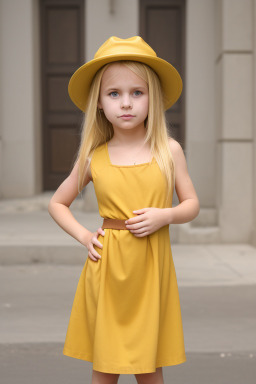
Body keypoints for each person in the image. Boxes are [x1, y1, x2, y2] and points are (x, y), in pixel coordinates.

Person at [48, 36, 200, 384]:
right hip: (108, 269)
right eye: (114, 94)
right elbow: (58, 203)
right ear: (99, 103)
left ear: (153, 99)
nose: (126, 103)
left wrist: (166, 215)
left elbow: (191, 204)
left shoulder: (169, 150)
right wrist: (85, 235)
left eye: (137, 92)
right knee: (106, 363)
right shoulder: (94, 156)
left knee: (148, 366)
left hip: (150, 268)